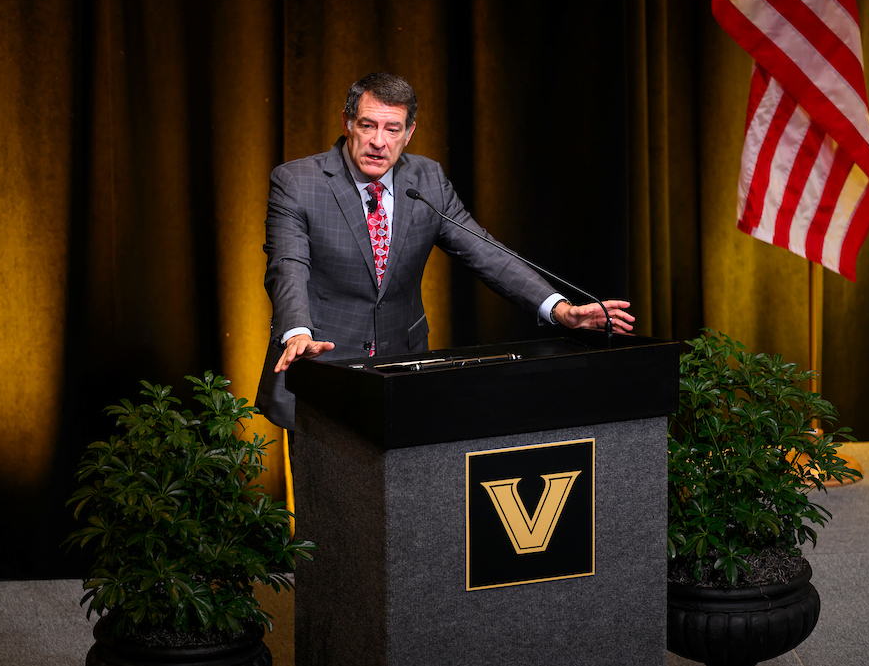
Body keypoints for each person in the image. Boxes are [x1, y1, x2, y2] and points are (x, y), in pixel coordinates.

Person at [255, 72, 634, 430]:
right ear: (347, 123)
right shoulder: (298, 181)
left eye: (393, 129)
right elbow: (288, 264)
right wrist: (296, 332)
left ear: (409, 133)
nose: (378, 141)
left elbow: (486, 253)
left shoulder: (427, 180)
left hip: (402, 373)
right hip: (322, 367)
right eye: (368, 125)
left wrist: (560, 310)